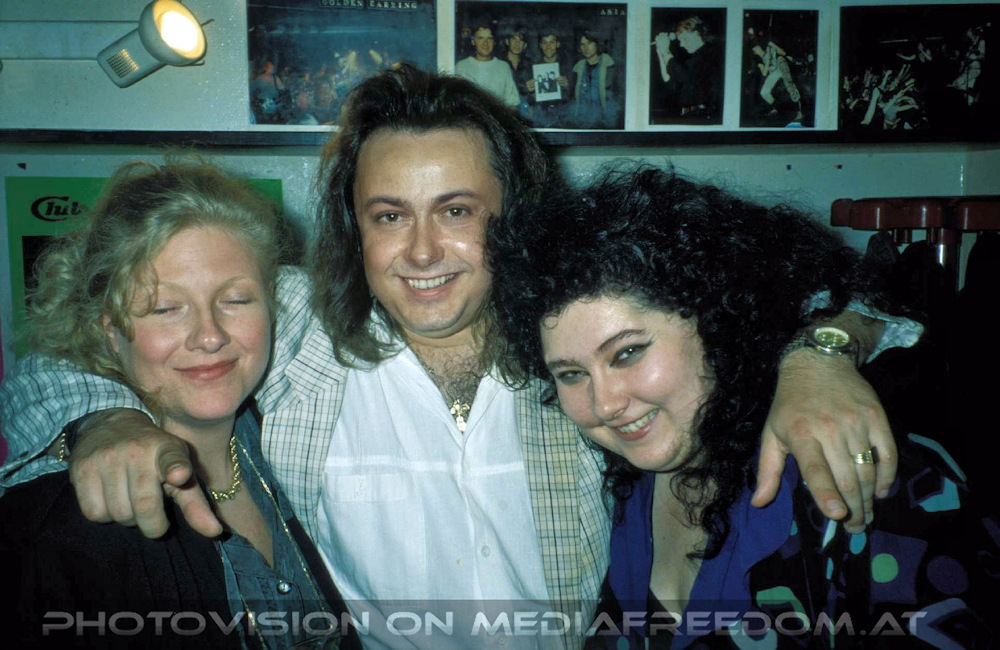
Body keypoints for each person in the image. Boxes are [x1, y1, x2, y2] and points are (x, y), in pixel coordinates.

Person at [1, 66, 917, 649]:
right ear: (354, 229)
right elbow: (79, 344)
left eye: (456, 211)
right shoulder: (290, 326)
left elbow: (852, 293)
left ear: (512, 215)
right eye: (388, 215)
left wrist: (821, 353)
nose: (422, 251)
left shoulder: (573, 342)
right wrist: (102, 418)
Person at [489, 166, 995, 648]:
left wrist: (823, 352)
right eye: (571, 374)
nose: (605, 404)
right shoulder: (626, 487)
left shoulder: (861, 478)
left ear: (716, 321)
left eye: (628, 353)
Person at [0, 160, 354, 648]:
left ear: (273, 304)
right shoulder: (70, 527)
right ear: (111, 331)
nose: (209, 336)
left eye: (235, 300)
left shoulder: (296, 441)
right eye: (165, 308)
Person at [653, 16, 723, 122]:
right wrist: (660, 52)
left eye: (684, 39)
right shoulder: (693, 59)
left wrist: (666, 52)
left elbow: (684, 77)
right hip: (690, 115)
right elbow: (670, 81)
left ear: (697, 33)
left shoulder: (710, 54)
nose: (681, 45)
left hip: (702, 116)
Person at [455, 25, 521, 107]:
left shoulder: (503, 67)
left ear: (494, 42)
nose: (485, 43)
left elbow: (512, 103)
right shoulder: (461, 67)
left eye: (489, 38)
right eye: (481, 38)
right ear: (473, 41)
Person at [571, 31, 617, 128]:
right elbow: (574, 99)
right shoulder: (578, 67)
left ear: (597, 44)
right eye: (582, 44)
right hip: (582, 122)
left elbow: (613, 97)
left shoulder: (608, 64)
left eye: (589, 43)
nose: (585, 48)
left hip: (603, 122)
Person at [528, 31, 572, 126]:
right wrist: (530, 92)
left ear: (558, 44)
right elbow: (530, 101)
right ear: (540, 45)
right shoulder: (534, 68)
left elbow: (575, 96)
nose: (548, 47)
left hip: (562, 116)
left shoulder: (567, 66)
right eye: (544, 42)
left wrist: (567, 86)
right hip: (542, 116)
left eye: (552, 42)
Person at [503, 27, 534, 118]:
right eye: (514, 39)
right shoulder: (499, 63)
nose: (517, 43)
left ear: (525, 45)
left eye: (521, 40)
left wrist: (532, 103)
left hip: (525, 109)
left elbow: (535, 93)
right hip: (503, 107)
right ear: (507, 41)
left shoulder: (530, 64)